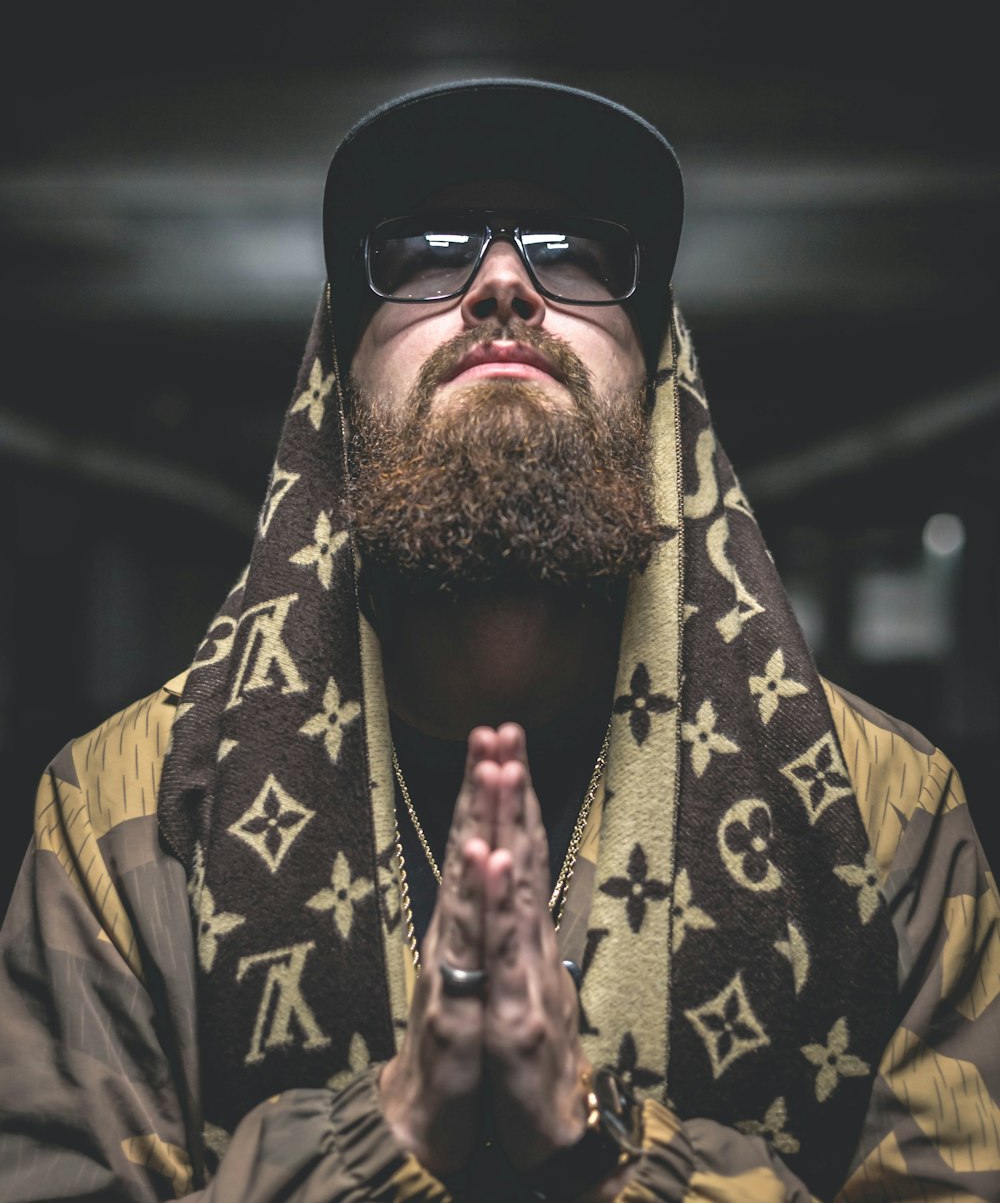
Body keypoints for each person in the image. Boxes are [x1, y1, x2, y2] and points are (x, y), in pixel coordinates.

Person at [0, 79, 997, 1202]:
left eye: (574, 251)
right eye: (426, 251)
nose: (505, 284)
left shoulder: (886, 817)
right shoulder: (123, 820)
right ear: (337, 374)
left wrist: (605, 1147)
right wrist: (387, 1127)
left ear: (657, 367)